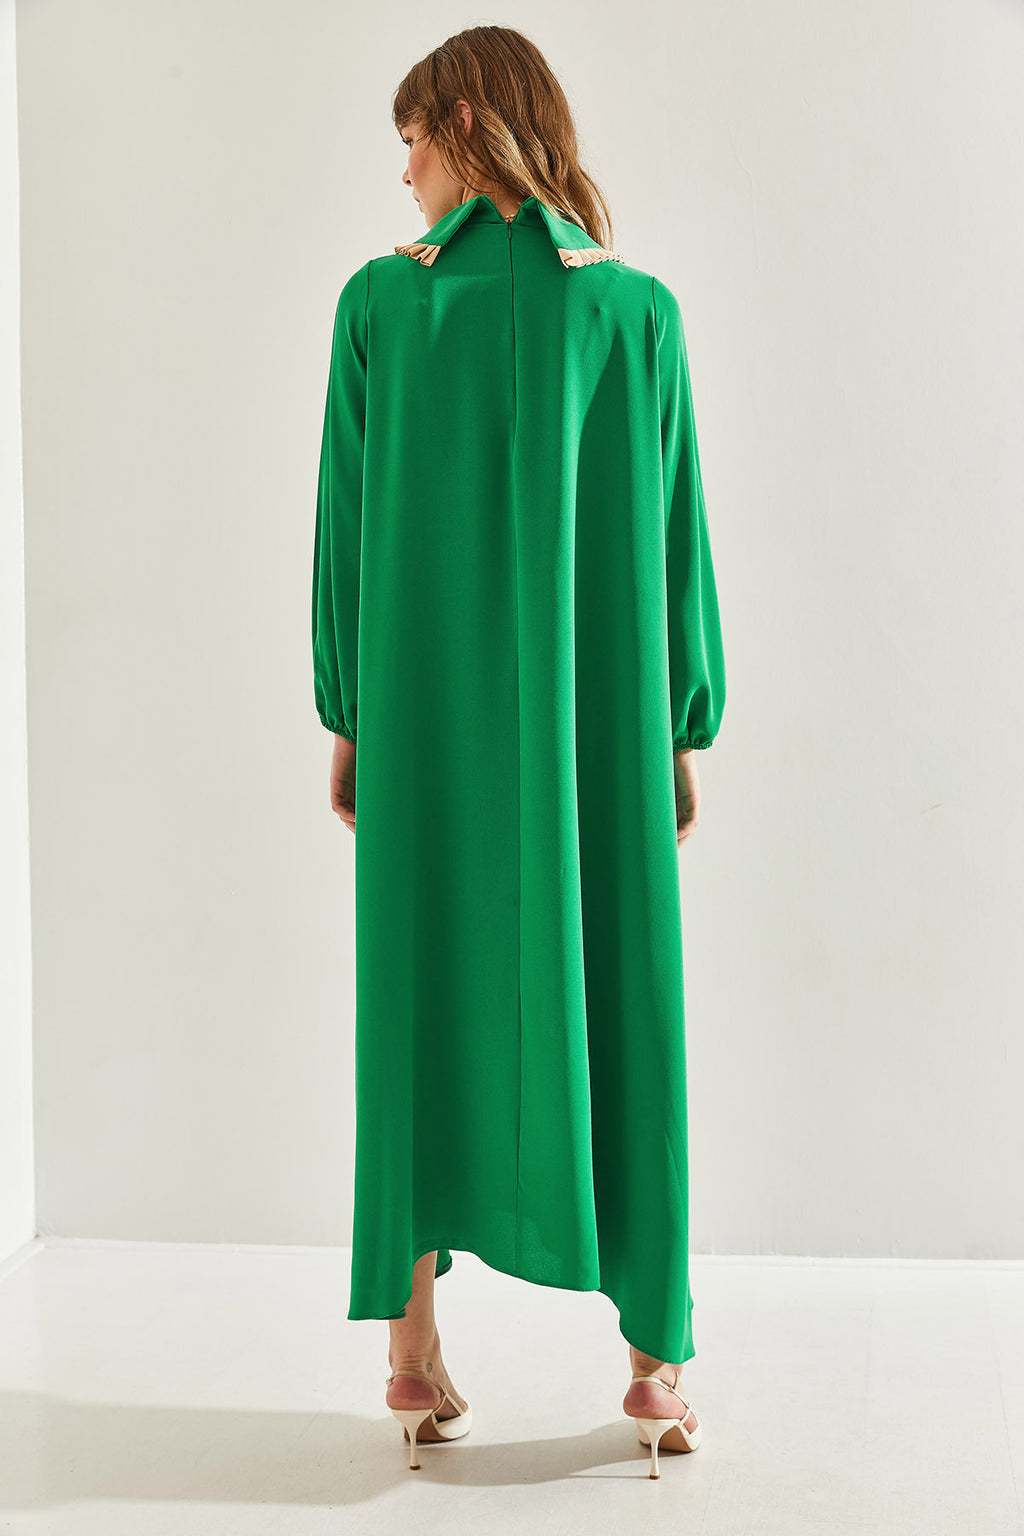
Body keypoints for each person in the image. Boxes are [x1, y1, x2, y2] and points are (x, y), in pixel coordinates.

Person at [311, 25, 726, 1479]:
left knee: (417, 997)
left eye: (415, 139)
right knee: (627, 996)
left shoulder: (380, 306)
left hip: (420, 728)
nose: (406, 173)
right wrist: (679, 724)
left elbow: (346, 535)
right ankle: (656, 1365)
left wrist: (349, 712)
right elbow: (676, 542)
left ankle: (411, 1352)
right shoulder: (636, 312)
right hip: (596, 725)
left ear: (472, 123)